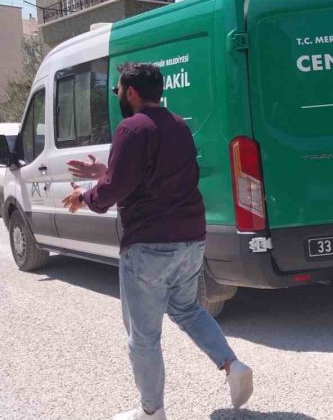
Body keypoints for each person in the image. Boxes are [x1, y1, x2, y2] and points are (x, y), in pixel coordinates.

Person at [62, 63, 253, 419]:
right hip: (190, 239)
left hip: (148, 244)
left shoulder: (131, 128)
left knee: (143, 336)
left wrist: (85, 196)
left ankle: (152, 412)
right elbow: (151, 176)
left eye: (118, 90)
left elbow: (119, 187)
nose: (117, 95)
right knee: (187, 309)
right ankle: (232, 365)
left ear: (131, 92)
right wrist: (104, 173)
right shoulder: (179, 125)